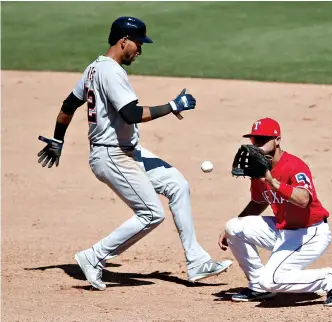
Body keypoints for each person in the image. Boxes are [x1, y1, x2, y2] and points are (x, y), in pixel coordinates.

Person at [37, 16, 232, 291]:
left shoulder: (93, 69)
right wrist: (173, 105)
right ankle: (94, 257)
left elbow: (68, 106)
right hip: (112, 155)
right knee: (151, 213)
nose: (139, 50)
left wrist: (58, 139)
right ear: (123, 40)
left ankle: (196, 260)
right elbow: (131, 114)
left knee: (177, 184)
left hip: (127, 151)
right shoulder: (112, 72)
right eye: (138, 44)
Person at [218, 117, 332, 306]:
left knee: (270, 280)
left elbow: (304, 200)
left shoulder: (295, 166)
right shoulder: (260, 168)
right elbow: (258, 202)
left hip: (309, 233)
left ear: (277, 140)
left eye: (263, 139)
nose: (258, 144)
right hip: (282, 230)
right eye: (255, 140)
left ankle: (331, 278)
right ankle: (257, 288)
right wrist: (230, 230)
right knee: (233, 227)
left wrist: (272, 182)